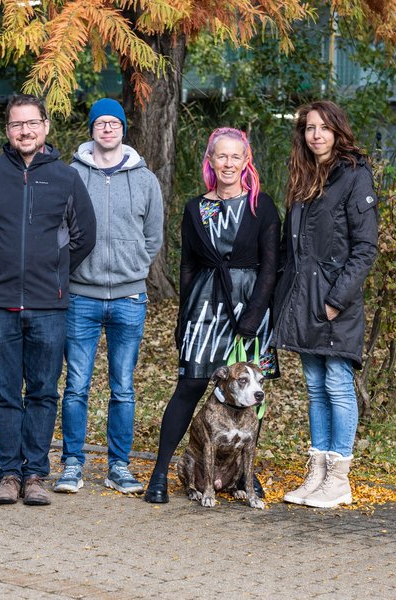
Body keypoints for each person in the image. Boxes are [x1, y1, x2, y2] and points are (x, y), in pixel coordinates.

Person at [0, 94, 96, 506]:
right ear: (8, 130)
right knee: (3, 392)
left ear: (46, 127)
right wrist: (1, 267)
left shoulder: (66, 178)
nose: (25, 131)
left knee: (42, 391)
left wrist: (53, 269)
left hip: (48, 305)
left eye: (32, 123)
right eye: (17, 124)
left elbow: (83, 236)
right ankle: (8, 475)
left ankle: (35, 473)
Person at [144, 127, 281, 504]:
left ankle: (244, 477)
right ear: (211, 160)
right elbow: (187, 266)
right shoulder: (194, 208)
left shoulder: (261, 206)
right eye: (221, 156)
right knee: (189, 386)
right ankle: (159, 473)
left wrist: (254, 314)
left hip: (251, 306)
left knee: (252, 393)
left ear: (246, 161)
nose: (228, 163)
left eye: (236, 156)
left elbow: (271, 266)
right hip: (204, 307)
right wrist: (182, 317)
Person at [53, 98, 163, 495]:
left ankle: (119, 466)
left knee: (123, 386)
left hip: (129, 298)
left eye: (113, 122)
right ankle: (72, 464)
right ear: (91, 130)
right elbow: (60, 229)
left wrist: (132, 267)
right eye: (100, 123)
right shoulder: (70, 175)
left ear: (123, 129)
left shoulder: (145, 179)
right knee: (77, 384)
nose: (107, 129)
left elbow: (153, 238)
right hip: (81, 296)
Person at [275, 101, 379, 508]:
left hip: (336, 302)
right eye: (308, 128)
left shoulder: (354, 176)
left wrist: (337, 300)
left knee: (337, 385)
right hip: (303, 300)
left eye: (323, 128)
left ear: (337, 131)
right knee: (316, 389)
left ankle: (339, 479)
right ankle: (316, 473)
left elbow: (365, 248)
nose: (315, 135)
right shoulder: (304, 176)